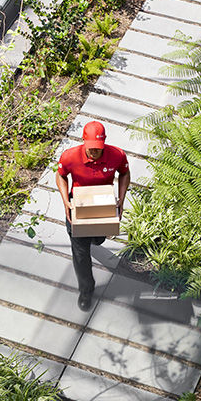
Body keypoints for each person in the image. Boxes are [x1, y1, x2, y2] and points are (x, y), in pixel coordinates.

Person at [55, 121, 130, 311]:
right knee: (80, 253)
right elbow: (61, 176)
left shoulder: (117, 155)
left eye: (98, 148)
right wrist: (66, 201)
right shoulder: (70, 156)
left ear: (104, 142)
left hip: (102, 204)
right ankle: (86, 289)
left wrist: (121, 198)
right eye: (90, 148)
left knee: (97, 240)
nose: (94, 152)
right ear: (83, 141)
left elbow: (124, 173)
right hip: (78, 205)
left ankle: (93, 239)